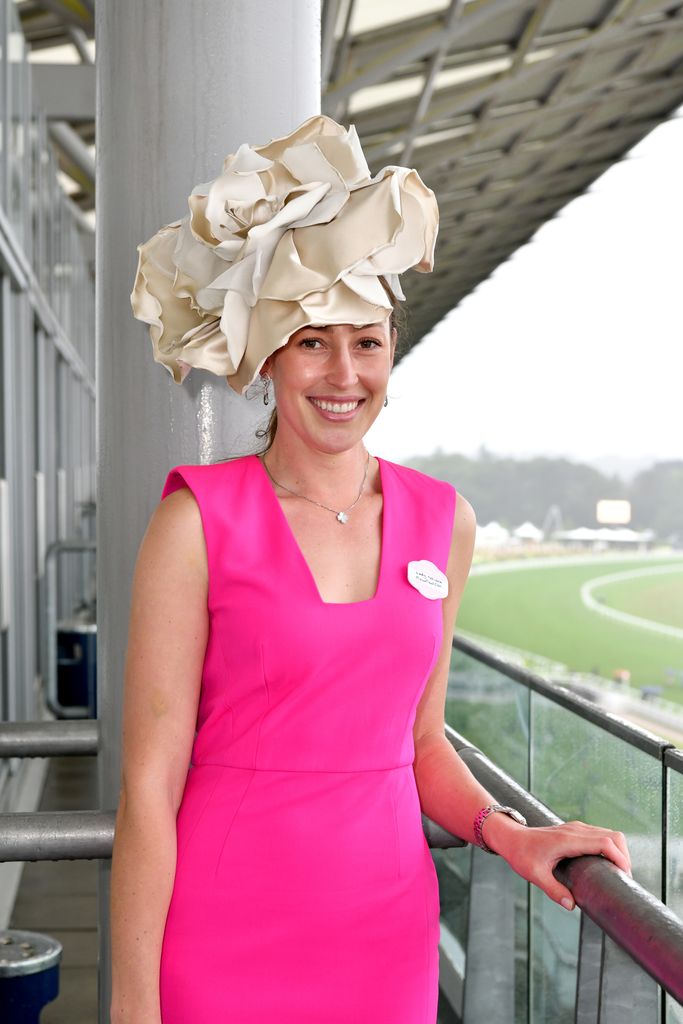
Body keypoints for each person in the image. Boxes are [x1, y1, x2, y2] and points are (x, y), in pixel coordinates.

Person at [110, 115, 632, 1023]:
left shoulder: (444, 520)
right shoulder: (194, 521)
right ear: (269, 356)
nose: (342, 373)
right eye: (312, 341)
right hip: (221, 923)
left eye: (367, 342)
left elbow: (421, 743)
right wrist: (132, 1003)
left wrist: (511, 836)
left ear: (393, 352)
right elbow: (148, 787)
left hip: (383, 930)